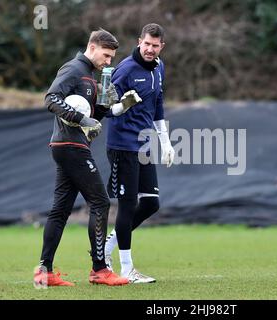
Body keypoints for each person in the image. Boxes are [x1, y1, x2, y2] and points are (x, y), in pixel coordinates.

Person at [33, 28, 140, 287]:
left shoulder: (91, 76)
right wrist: (81, 117)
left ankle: (44, 271)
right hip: (70, 146)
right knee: (101, 203)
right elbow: (51, 99)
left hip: (70, 145)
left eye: (111, 57)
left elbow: (95, 119)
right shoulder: (73, 69)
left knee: (60, 210)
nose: (108, 61)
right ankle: (100, 269)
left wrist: (116, 106)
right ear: (92, 47)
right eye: (106, 55)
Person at [103, 23, 175, 284]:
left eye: (155, 46)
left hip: (144, 146)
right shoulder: (125, 70)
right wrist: (121, 105)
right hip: (123, 145)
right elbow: (106, 106)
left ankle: (105, 250)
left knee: (151, 203)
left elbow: (158, 106)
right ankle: (126, 269)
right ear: (139, 42)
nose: (150, 49)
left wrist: (166, 143)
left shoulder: (159, 67)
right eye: (147, 44)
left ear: (161, 47)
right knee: (127, 205)